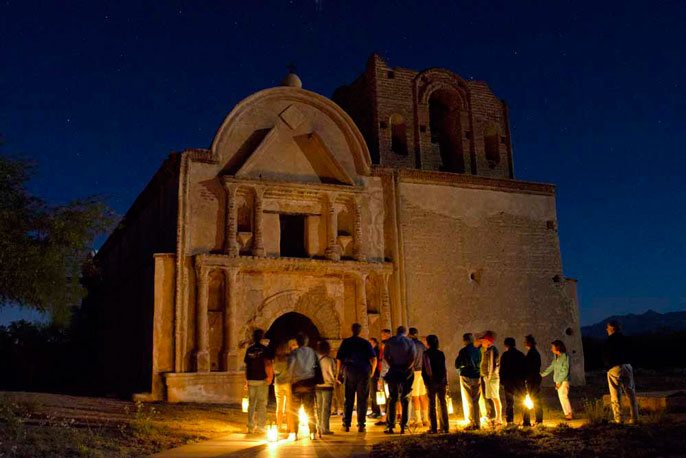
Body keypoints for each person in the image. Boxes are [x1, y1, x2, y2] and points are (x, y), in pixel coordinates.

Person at [336, 323, 377, 433]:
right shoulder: (365, 343)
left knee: (348, 398)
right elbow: (374, 359)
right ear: (360, 331)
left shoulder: (346, 342)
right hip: (363, 372)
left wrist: (338, 374)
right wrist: (372, 372)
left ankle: (346, 423)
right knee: (362, 399)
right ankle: (361, 425)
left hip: (350, 371)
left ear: (351, 330)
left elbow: (339, 359)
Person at [383, 326, 417, 434]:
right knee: (405, 398)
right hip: (406, 372)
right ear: (406, 332)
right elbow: (412, 357)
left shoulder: (390, 341)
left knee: (392, 398)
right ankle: (404, 425)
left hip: (394, 371)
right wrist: (406, 368)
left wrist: (392, 365)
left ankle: (391, 426)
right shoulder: (410, 342)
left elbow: (385, 356)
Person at [603, 320, 639, 424]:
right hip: (627, 366)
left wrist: (608, 367)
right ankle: (635, 418)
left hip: (614, 368)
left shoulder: (609, 341)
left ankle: (618, 419)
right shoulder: (626, 339)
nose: (606, 330)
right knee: (631, 392)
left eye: (607, 328)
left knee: (615, 394)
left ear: (611, 329)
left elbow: (606, 356)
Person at [288, 332, 318, 440]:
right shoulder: (312, 352)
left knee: (295, 409)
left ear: (298, 342)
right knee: (309, 409)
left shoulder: (294, 353)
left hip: (297, 383)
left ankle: (295, 433)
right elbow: (316, 366)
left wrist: (290, 380)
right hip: (309, 382)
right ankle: (313, 432)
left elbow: (290, 367)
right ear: (306, 341)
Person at [243, 329, 274, 434]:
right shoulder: (265, 349)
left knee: (251, 404)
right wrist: (270, 377)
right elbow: (268, 364)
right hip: (262, 379)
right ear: (262, 337)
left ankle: (250, 427)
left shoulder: (249, 350)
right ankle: (261, 426)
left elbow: (247, 366)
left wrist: (246, 380)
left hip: (251, 379)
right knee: (262, 404)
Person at [422, 334, 449, 433]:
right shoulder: (440, 353)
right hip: (441, 381)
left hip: (431, 382)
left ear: (428, 343)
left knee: (432, 404)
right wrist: (446, 381)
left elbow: (427, 368)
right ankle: (445, 427)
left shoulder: (426, 354)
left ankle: (433, 428)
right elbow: (444, 368)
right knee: (443, 403)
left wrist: (427, 380)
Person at [455, 333, 482, 430]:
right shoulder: (477, 350)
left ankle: (470, 422)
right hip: (477, 375)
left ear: (465, 340)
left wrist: (460, 371)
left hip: (466, 375)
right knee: (476, 400)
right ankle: (477, 422)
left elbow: (457, 364)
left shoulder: (463, 351)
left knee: (468, 399)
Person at [541, 340, 572, 420]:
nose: (551, 349)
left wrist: (559, 381)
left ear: (557, 347)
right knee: (561, 397)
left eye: (552, 347)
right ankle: (567, 414)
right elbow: (552, 367)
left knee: (563, 396)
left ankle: (569, 413)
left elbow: (565, 370)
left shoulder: (565, 357)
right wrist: (543, 374)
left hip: (564, 380)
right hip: (558, 380)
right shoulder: (556, 358)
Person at [499, 337, 526, 425]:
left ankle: (510, 421)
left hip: (509, 382)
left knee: (509, 403)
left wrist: (502, 381)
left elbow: (502, 369)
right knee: (523, 401)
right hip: (519, 381)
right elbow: (525, 368)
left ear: (506, 345)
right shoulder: (521, 354)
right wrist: (524, 379)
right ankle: (526, 421)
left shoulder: (505, 355)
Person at [478, 330, 502, 426]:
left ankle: (497, 418)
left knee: (495, 397)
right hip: (488, 377)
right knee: (491, 397)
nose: (481, 342)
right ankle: (495, 417)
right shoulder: (488, 350)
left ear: (488, 341)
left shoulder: (492, 350)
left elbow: (492, 364)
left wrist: (488, 376)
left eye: (483, 340)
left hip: (491, 377)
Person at [273, 339, 297, 433]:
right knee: (289, 407)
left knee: (279, 406)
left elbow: (275, 370)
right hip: (288, 383)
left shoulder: (276, 359)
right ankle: (289, 427)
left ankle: (278, 427)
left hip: (278, 383)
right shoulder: (290, 358)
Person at [408, 327, 429, 426]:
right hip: (423, 372)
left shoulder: (410, 345)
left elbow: (410, 359)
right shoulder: (421, 345)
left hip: (415, 372)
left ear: (409, 335)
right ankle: (425, 419)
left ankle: (419, 420)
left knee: (415, 396)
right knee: (423, 395)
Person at [315, 340, 337, 436]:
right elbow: (334, 372)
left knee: (319, 407)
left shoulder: (315, 360)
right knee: (326, 408)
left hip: (317, 386)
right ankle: (325, 428)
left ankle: (319, 427)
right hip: (328, 385)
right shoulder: (330, 360)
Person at [522, 335, 543, 426]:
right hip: (535, 379)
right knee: (535, 399)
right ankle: (538, 420)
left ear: (529, 343)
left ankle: (529, 421)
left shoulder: (532, 353)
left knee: (530, 399)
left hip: (532, 379)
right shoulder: (535, 353)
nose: (524, 343)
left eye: (525, 341)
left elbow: (529, 367)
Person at [375, 329, 392, 426]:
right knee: (383, 397)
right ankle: (385, 417)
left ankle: (386, 417)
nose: (382, 336)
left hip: (385, 375)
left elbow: (384, 364)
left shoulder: (387, 348)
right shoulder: (383, 347)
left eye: (384, 334)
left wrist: (381, 377)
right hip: (383, 373)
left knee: (385, 396)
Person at [368, 337, 382, 419]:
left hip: (375, 375)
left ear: (375, 343)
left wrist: (373, 373)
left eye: (371, 343)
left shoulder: (375, 352)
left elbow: (374, 362)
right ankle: (374, 411)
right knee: (372, 393)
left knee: (374, 393)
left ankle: (377, 411)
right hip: (373, 375)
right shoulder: (373, 351)